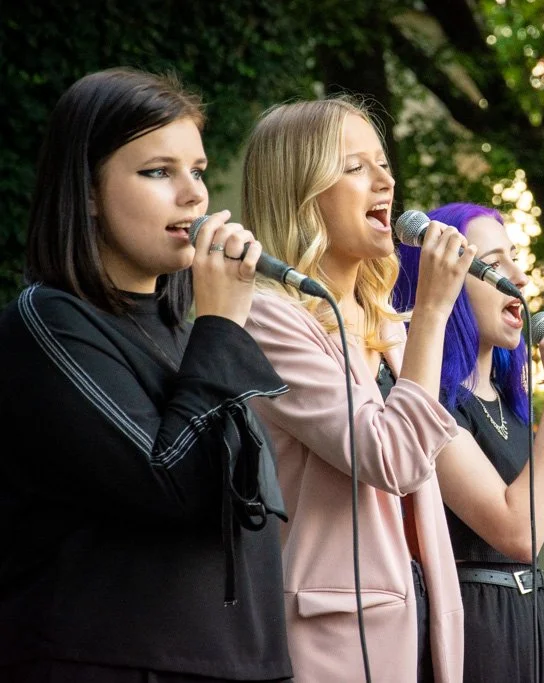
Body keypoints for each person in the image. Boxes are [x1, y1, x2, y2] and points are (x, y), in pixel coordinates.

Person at [0, 68, 292, 682]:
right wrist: (223, 327)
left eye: (198, 170)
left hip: (240, 662)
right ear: (85, 192)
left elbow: (246, 507)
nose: (194, 195)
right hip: (115, 662)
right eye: (158, 171)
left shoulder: (188, 333)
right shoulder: (48, 321)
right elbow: (173, 486)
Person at [241, 98, 474, 682]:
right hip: (334, 641)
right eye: (355, 167)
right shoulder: (267, 319)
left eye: (384, 164)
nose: (387, 181)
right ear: (300, 191)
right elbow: (388, 456)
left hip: (422, 626)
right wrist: (433, 312)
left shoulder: (385, 323)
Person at [393, 203, 544, 682]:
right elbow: (518, 532)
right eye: (496, 264)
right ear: (446, 278)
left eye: (516, 258)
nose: (519, 277)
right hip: (476, 629)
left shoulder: (510, 405)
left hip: (533, 620)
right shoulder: (428, 404)